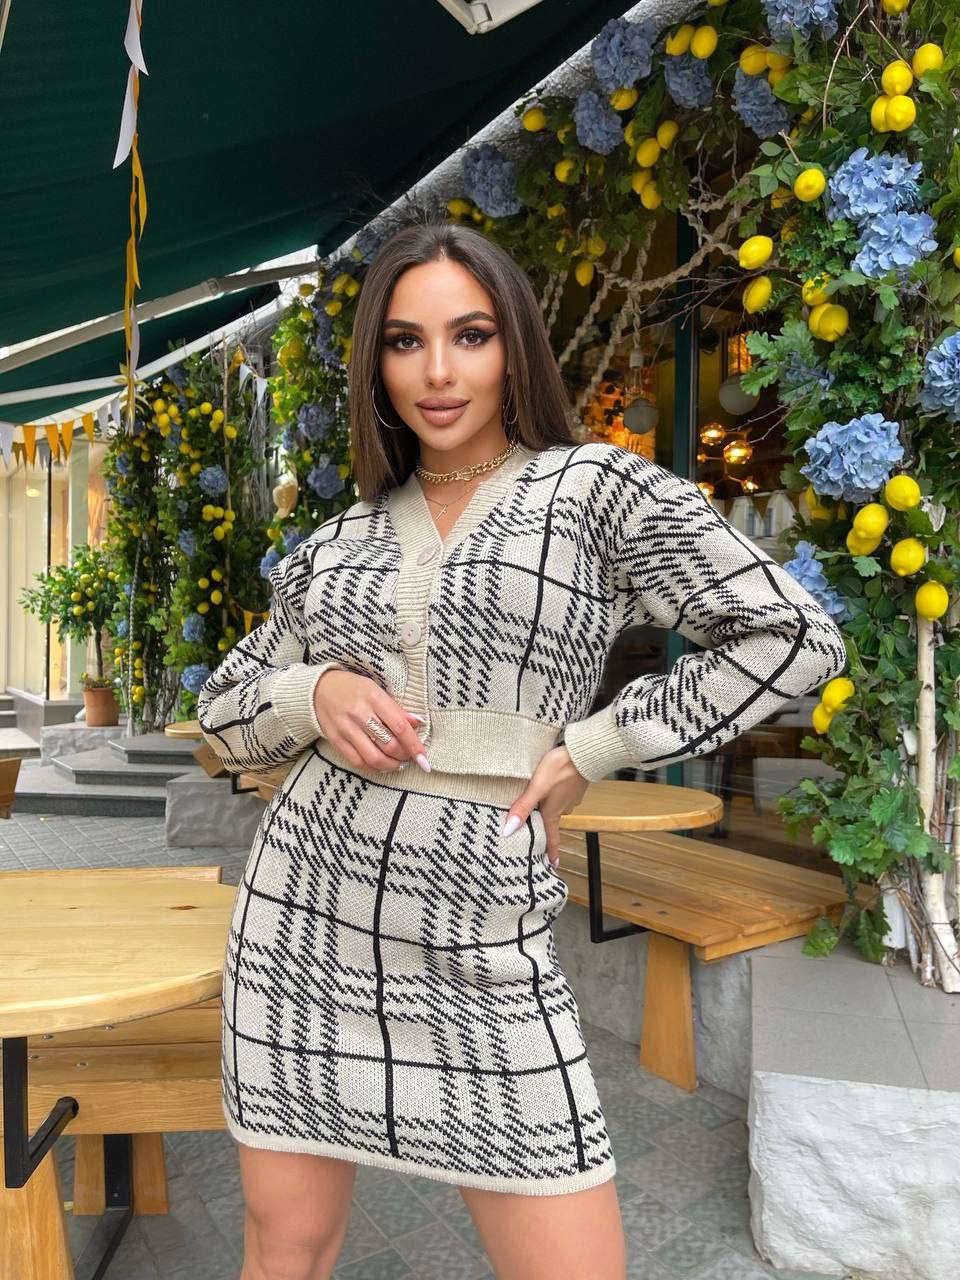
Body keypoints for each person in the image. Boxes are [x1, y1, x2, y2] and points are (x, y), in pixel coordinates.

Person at [197, 220, 848, 1280]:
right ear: (376, 363)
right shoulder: (339, 539)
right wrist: (311, 687)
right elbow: (223, 711)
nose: (439, 371)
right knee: (285, 1245)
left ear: (516, 349)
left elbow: (794, 638)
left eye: (471, 335)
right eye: (406, 342)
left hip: (483, 918)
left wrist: (598, 742)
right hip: (303, 913)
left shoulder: (596, 491)